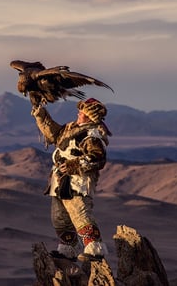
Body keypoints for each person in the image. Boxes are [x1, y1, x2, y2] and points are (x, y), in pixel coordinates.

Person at [31, 98, 111, 261]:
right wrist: (41, 115)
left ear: (90, 116)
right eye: (80, 110)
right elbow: (54, 134)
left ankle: (95, 249)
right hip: (60, 180)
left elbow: (98, 158)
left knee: (80, 213)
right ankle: (69, 249)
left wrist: (73, 165)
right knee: (59, 217)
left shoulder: (92, 135)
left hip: (78, 182)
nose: (79, 113)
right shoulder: (70, 128)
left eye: (82, 112)